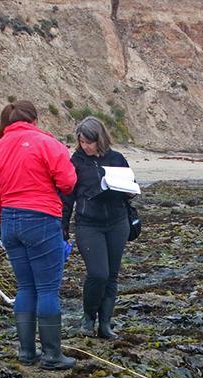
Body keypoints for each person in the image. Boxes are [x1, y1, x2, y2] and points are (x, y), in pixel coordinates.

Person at [0, 100, 78, 369]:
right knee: (47, 288)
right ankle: (52, 355)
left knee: (25, 287)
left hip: (10, 222)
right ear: (34, 119)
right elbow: (68, 182)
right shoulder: (46, 143)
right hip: (41, 217)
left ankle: (26, 351)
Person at [62, 116, 133, 339]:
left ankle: (105, 324)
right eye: (82, 142)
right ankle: (88, 318)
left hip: (117, 222)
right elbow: (67, 199)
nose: (85, 146)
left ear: (99, 139)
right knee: (97, 274)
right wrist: (62, 230)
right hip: (88, 224)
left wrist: (130, 190)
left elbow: (130, 189)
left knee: (111, 275)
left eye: (89, 142)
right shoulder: (75, 162)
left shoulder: (117, 158)